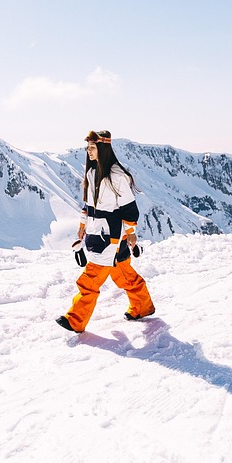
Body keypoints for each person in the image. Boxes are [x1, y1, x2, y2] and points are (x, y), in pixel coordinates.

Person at [56, 130, 156, 332]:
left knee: (90, 279)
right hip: (97, 232)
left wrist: (131, 233)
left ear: (102, 149)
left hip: (111, 235)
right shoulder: (93, 174)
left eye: (92, 148)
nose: (89, 152)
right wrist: (82, 226)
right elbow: (88, 206)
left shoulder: (116, 176)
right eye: (88, 148)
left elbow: (128, 208)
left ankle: (75, 320)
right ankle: (142, 306)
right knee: (123, 273)